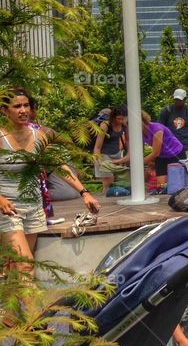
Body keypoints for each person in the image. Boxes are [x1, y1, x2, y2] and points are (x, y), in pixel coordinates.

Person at [0, 88, 100, 273]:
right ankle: (38, 304)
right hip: (7, 210)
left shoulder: (39, 136)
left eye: (26, 105)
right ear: (5, 110)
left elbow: (58, 165)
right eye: (17, 106)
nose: (23, 110)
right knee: (25, 264)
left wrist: (84, 193)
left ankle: (11, 300)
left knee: (15, 267)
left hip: (33, 207)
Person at [158, 89, 188, 176]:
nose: (178, 102)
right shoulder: (166, 111)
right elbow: (159, 130)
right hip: (170, 148)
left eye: (180, 100)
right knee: (171, 172)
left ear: (185, 99)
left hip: (186, 147)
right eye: (176, 100)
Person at [141, 111, 185, 190]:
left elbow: (155, 153)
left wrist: (138, 164)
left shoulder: (157, 129)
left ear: (143, 121)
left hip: (175, 153)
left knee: (176, 184)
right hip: (162, 155)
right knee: (161, 186)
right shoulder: (139, 133)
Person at [92, 106, 128, 195]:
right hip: (103, 153)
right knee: (108, 180)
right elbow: (97, 147)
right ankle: (105, 200)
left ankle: (113, 196)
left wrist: (122, 158)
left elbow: (126, 141)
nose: (120, 121)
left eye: (122, 119)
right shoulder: (105, 125)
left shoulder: (124, 124)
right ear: (113, 117)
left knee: (118, 179)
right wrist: (101, 162)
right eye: (118, 119)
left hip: (116, 153)